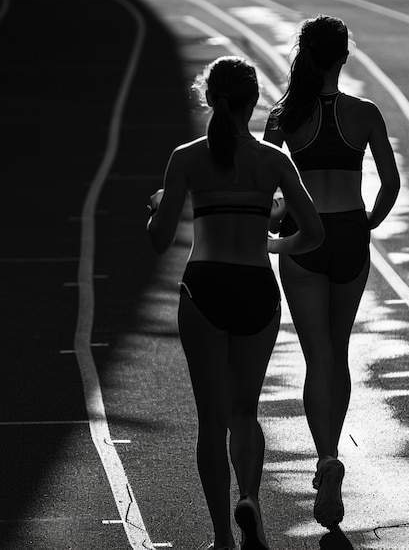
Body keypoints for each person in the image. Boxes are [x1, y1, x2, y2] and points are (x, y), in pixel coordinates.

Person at [147, 56, 324, 550]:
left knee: (212, 420)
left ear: (209, 99)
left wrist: (160, 208)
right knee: (246, 411)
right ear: (252, 103)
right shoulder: (273, 160)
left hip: (205, 287)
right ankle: (250, 500)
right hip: (256, 289)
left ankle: (223, 537)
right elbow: (313, 232)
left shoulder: (186, 157)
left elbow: (159, 242)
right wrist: (271, 244)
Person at [264, 15, 400, 529]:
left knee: (315, 355)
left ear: (305, 55)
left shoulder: (283, 117)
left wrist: (275, 226)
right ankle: (332, 453)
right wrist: (367, 224)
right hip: (348, 235)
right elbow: (390, 182)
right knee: (337, 353)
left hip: (304, 234)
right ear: (345, 56)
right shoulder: (364, 113)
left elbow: (263, 185)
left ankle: (325, 458)